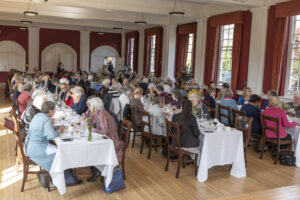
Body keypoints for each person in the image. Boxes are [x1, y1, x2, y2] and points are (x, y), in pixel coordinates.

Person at [84, 97, 124, 182]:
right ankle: (97, 169)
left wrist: (91, 129)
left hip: (112, 142)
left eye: (90, 105)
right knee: (89, 147)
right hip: (107, 139)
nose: (89, 107)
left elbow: (105, 132)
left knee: (90, 149)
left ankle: (98, 170)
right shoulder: (97, 112)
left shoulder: (101, 114)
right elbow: (90, 121)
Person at [26, 101, 64, 172]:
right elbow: (52, 136)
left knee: (57, 149)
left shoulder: (38, 115)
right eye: (54, 109)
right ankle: (56, 176)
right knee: (60, 154)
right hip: (36, 150)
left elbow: (43, 129)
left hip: (30, 145)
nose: (55, 111)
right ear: (50, 111)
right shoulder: (46, 119)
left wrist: (51, 124)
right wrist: (59, 130)